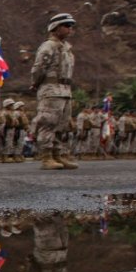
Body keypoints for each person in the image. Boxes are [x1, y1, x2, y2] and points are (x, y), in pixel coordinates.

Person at [31, 12, 79, 170]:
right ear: (55, 27)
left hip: (64, 90)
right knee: (48, 123)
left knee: (62, 125)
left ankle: (58, 154)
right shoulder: (48, 46)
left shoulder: (66, 48)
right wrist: (36, 83)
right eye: (66, 26)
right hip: (51, 90)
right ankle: (46, 157)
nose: (70, 29)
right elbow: (38, 69)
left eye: (71, 26)